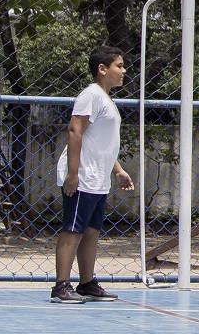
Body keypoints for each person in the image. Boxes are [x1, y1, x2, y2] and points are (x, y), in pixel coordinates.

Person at [53, 45, 136, 303]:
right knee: (73, 229)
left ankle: (86, 283)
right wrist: (73, 173)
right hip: (84, 176)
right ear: (102, 69)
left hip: (99, 179)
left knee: (91, 231)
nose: (123, 71)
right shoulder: (91, 95)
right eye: (119, 66)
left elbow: (102, 143)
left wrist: (118, 170)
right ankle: (60, 287)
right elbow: (75, 131)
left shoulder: (105, 99)